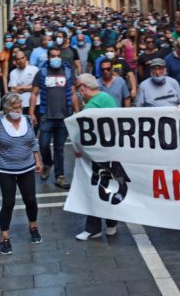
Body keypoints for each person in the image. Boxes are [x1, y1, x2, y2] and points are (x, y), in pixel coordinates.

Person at [0, 93, 43, 255]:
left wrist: (37, 160)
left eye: (20, 106)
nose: (18, 109)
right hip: (6, 169)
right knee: (8, 202)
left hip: (26, 167)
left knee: (31, 199)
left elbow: (33, 141)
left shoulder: (27, 120)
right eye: (14, 107)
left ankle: (33, 226)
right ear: (6, 108)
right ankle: (4, 235)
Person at [73, 74, 120, 240]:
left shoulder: (91, 107)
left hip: (97, 155)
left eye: (78, 88)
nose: (78, 92)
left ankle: (93, 228)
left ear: (84, 88)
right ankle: (111, 224)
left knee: (94, 189)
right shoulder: (106, 97)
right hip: (111, 152)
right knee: (109, 186)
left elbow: (84, 134)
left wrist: (78, 148)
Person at [29, 47, 79, 189]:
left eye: (58, 55)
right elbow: (34, 93)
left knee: (59, 148)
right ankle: (47, 163)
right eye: (53, 56)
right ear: (48, 57)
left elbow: (73, 93)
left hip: (64, 116)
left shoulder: (68, 71)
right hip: (46, 115)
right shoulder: (42, 73)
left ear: (61, 57)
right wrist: (32, 112)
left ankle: (60, 176)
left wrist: (77, 112)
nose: (56, 58)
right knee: (43, 144)